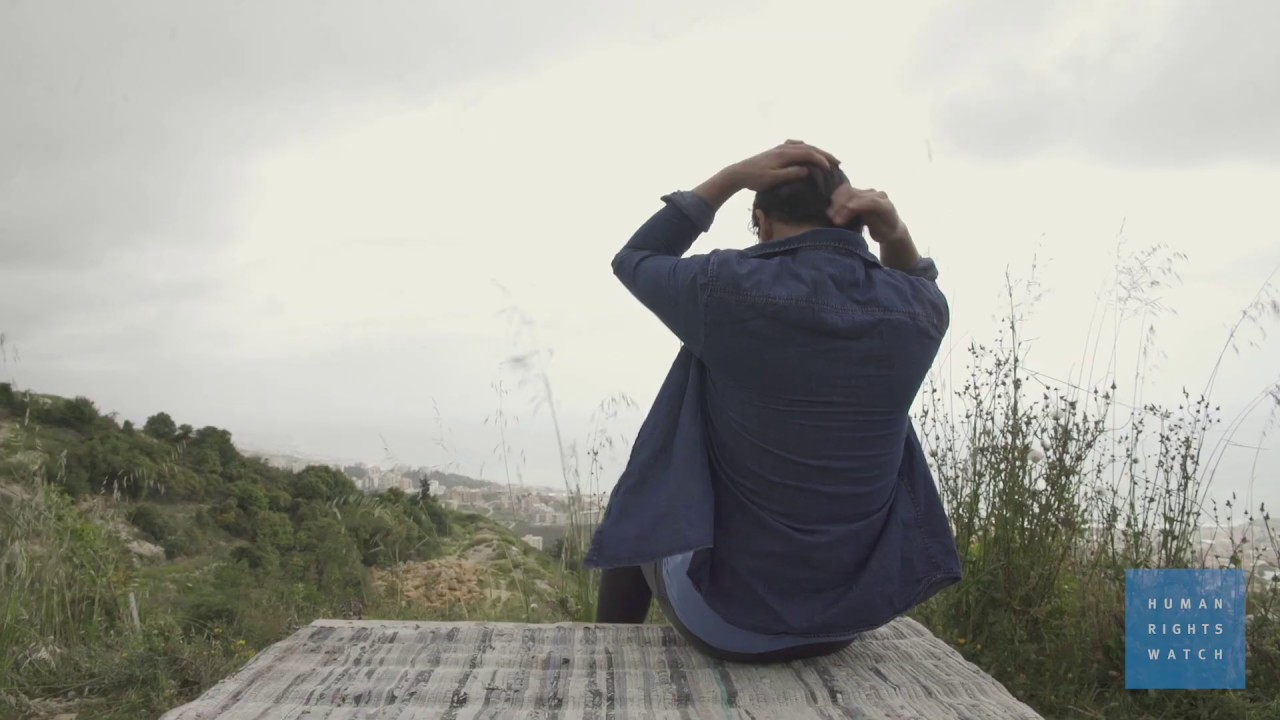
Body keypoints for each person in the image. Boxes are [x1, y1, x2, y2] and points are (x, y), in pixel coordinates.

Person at [584, 140, 962, 664]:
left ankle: (605, 663)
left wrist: (732, 176)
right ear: (859, 226)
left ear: (761, 222)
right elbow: (914, 281)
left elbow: (636, 258)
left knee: (646, 502)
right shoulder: (919, 313)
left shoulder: (725, 287)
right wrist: (896, 232)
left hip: (729, 624)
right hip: (846, 623)